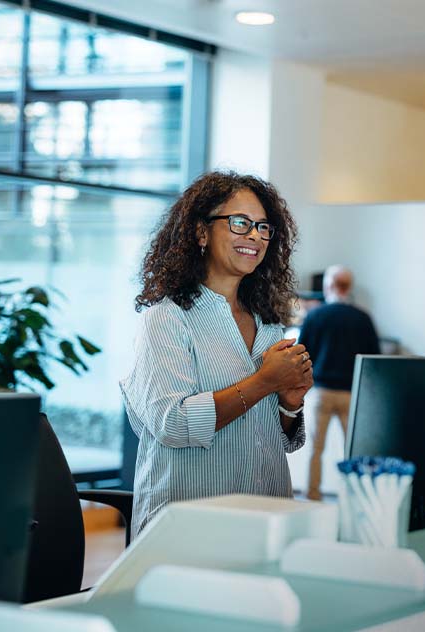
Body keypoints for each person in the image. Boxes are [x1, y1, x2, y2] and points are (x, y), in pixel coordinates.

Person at [121, 171, 313, 537]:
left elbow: (271, 439)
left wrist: (289, 404)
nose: (255, 236)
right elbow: (172, 424)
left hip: (266, 519)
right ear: (201, 232)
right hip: (187, 526)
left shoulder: (268, 324)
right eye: (240, 223)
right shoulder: (167, 318)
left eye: (263, 227)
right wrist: (264, 381)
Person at [299, 265, 380, 500]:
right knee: (352, 449)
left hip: (322, 392)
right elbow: (373, 359)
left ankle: (312, 495)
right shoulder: (363, 319)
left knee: (316, 449)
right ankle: (353, 496)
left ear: (328, 286)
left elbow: (303, 354)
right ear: (349, 287)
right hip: (350, 394)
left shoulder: (315, 316)